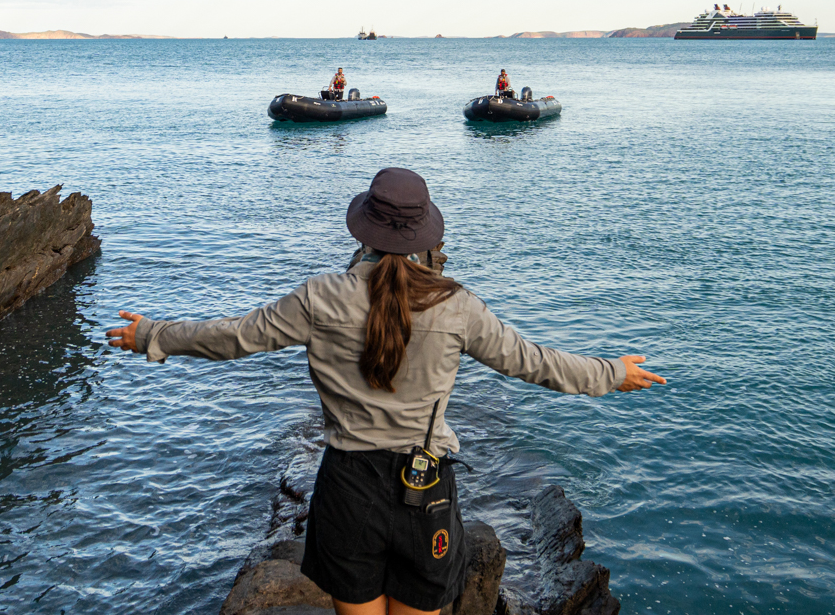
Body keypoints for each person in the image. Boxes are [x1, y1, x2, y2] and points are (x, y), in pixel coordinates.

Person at [107, 168, 665, 615]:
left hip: (348, 486)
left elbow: (232, 337)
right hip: (424, 489)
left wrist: (153, 335)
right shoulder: (457, 305)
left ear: (364, 230)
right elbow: (532, 363)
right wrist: (611, 373)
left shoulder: (320, 296)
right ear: (427, 235)